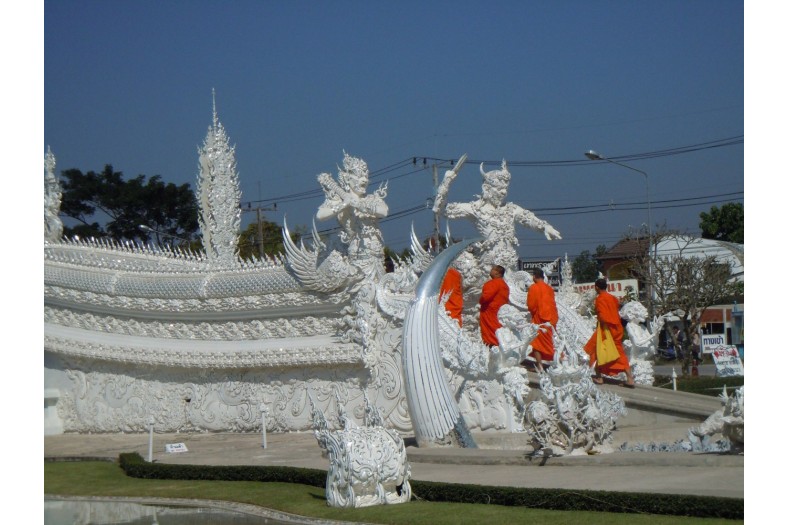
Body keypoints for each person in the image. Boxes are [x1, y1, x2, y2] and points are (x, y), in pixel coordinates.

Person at [433, 158, 561, 273]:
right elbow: (441, 209)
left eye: (505, 189)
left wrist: (545, 227)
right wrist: (446, 181)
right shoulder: (476, 209)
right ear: (486, 188)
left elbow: (528, 218)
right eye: (499, 189)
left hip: (510, 266)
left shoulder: (511, 209)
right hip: (488, 267)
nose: (503, 192)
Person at [583, 278, 635, 388]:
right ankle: (629, 378)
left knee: (597, 350)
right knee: (618, 353)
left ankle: (600, 377)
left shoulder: (600, 299)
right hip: (617, 328)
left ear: (596, 287)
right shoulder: (613, 298)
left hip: (606, 329)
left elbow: (602, 316)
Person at [526, 267, 559, 371]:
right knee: (551, 342)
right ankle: (558, 363)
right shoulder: (549, 288)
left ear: (534, 276)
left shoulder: (534, 288)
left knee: (536, 342)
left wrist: (533, 313)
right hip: (551, 318)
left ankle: (539, 365)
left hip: (540, 318)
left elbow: (531, 305)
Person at [479, 265, 510, 347]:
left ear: (498, 273)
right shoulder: (505, 285)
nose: (491, 270)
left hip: (489, 312)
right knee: (497, 330)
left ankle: (492, 348)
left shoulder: (493, 283)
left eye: (493, 269)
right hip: (499, 312)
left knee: (490, 333)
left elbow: (485, 297)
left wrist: (480, 300)